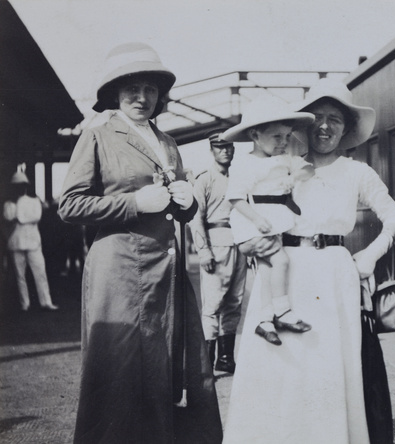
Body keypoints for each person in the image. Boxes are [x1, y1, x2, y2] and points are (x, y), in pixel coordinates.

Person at [222, 78, 395, 444]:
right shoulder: (281, 165)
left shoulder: (358, 172)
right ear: (303, 125)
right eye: (317, 117)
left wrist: (370, 253)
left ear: (347, 127)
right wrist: (246, 243)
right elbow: (245, 206)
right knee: (282, 365)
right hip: (283, 270)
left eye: (334, 119)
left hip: (334, 275)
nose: (324, 126)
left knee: (326, 366)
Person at [58, 42, 222, 444]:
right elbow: (69, 204)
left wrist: (188, 203)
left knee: (166, 368)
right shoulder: (98, 135)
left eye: (150, 88)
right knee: (120, 371)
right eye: (131, 87)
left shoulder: (167, 142)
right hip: (120, 273)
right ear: (114, 92)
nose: (141, 97)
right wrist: (133, 202)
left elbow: (174, 204)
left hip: (167, 273)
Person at [222, 96, 315, 346]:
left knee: (267, 270)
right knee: (282, 260)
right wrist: (257, 219)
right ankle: (283, 311)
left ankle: (265, 321)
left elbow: (309, 169)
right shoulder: (245, 164)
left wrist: (294, 176)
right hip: (253, 224)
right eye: (277, 137)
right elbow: (235, 198)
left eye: (287, 137)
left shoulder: (284, 159)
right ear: (255, 135)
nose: (284, 143)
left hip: (271, 223)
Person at [190, 129, 247, 374]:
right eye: (219, 147)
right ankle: (204, 365)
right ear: (211, 150)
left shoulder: (240, 177)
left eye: (229, 147)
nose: (225, 150)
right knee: (212, 305)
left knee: (234, 302)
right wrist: (204, 252)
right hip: (216, 242)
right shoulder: (204, 178)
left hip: (240, 242)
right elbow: (196, 217)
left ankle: (225, 359)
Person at [2, 167, 58, 311]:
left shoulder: (34, 201)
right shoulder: (9, 204)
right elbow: (8, 217)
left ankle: (46, 301)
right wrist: (20, 216)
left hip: (33, 243)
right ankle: (24, 304)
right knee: (20, 275)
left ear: (26, 186)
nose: (19, 189)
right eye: (16, 186)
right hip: (16, 242)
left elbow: (36, 217)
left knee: (40, 272)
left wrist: (18, 218)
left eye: (21, 186)